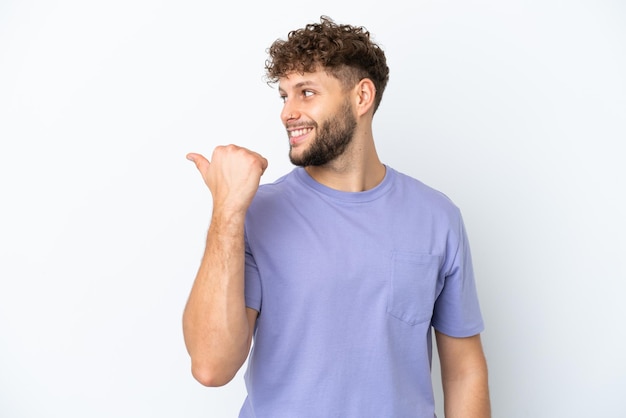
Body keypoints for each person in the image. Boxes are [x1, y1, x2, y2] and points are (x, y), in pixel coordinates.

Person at [183, 16, 491, 418]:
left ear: (362, 97)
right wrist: (226, 209)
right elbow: (210, 366)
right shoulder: (256, 214)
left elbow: (464, 371)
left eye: (306, 92)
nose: (287, 113)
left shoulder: (438, 217)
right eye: (284, 96)